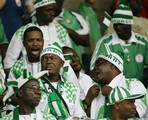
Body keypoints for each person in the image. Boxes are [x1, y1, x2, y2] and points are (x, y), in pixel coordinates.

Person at [4, 0, 71, 77]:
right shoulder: (24, 31)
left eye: (54, 10)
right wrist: (17, 82)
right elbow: (9, 61)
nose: (52, 13)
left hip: (55, 80)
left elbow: (68, 57)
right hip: (28, 79)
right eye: (48, 10)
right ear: (38, 10)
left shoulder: (61, 30)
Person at [90, 1, 148, 82]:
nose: (117, 27)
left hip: (139, 89)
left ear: (129, 24)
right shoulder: (105, 43)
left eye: (121, 24)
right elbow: (93, 70)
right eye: (115, 24)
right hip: (113, 90)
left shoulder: (143, 43)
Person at [90, 49, 148, 119]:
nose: (95, 67)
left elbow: (137, 111)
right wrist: (86, 102)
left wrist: (113, 93)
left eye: (99, 63)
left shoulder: (134, 84)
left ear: (112, 65)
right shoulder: (96, 90)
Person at [38, 42, 87, 119]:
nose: (48, 61)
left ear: (62, 63)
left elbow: (81, 116)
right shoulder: (34, 87)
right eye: (44, 59)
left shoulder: (72, 88)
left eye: (53, 58)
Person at [62, 46, 100, 117]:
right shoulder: (62, 83)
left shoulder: (86, 78)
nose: (74, 60)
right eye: (69, 58)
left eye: (75, 56)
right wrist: (87, 101)